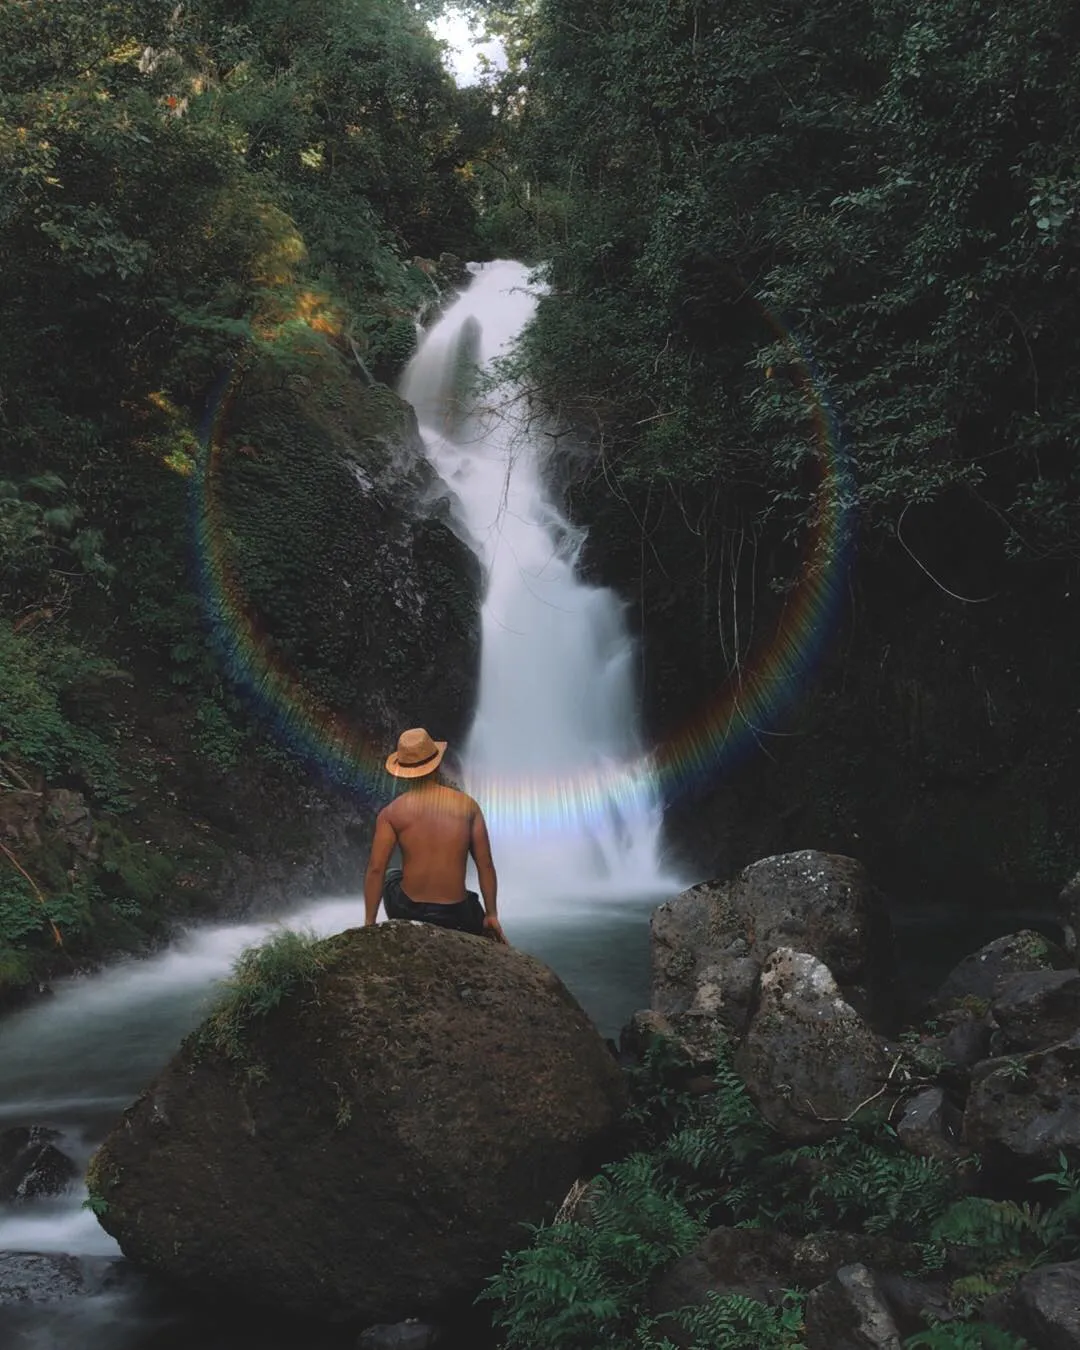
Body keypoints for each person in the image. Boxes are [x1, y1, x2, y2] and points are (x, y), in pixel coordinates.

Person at [363, 727, 506, 942]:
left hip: (408, 910)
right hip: (457, 915)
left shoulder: (391, 812)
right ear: (437, 763)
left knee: (391, 875)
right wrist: (492, 914)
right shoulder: (468, 806)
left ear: (401, 769)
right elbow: (485, 864)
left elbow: (376, 869)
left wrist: (369, 923)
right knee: (471, 902)